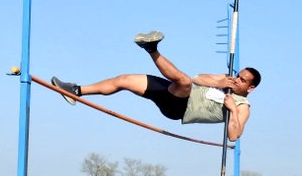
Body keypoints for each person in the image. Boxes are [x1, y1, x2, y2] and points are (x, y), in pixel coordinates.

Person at [51, 31, 261, 141]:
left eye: (242, 80)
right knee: (124, 80)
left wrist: (232, 108)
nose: (236, 79)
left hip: (179, 108)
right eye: (237, 75)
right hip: (176, 91)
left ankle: (151, 48)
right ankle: (75, 91)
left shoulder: (242, 106)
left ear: (250, 88)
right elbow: (198, 78)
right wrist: (220, 81)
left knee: (184, 82)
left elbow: (234, 135)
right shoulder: (226, 80)